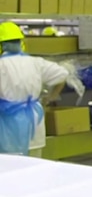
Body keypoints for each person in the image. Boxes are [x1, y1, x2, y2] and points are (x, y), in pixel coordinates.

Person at [0, 22, 70, 156]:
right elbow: (63, 74)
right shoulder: (36, 62)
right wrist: (52, 96)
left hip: (7, 127)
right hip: (34, 122)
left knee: (9, 168)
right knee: (34, 166)